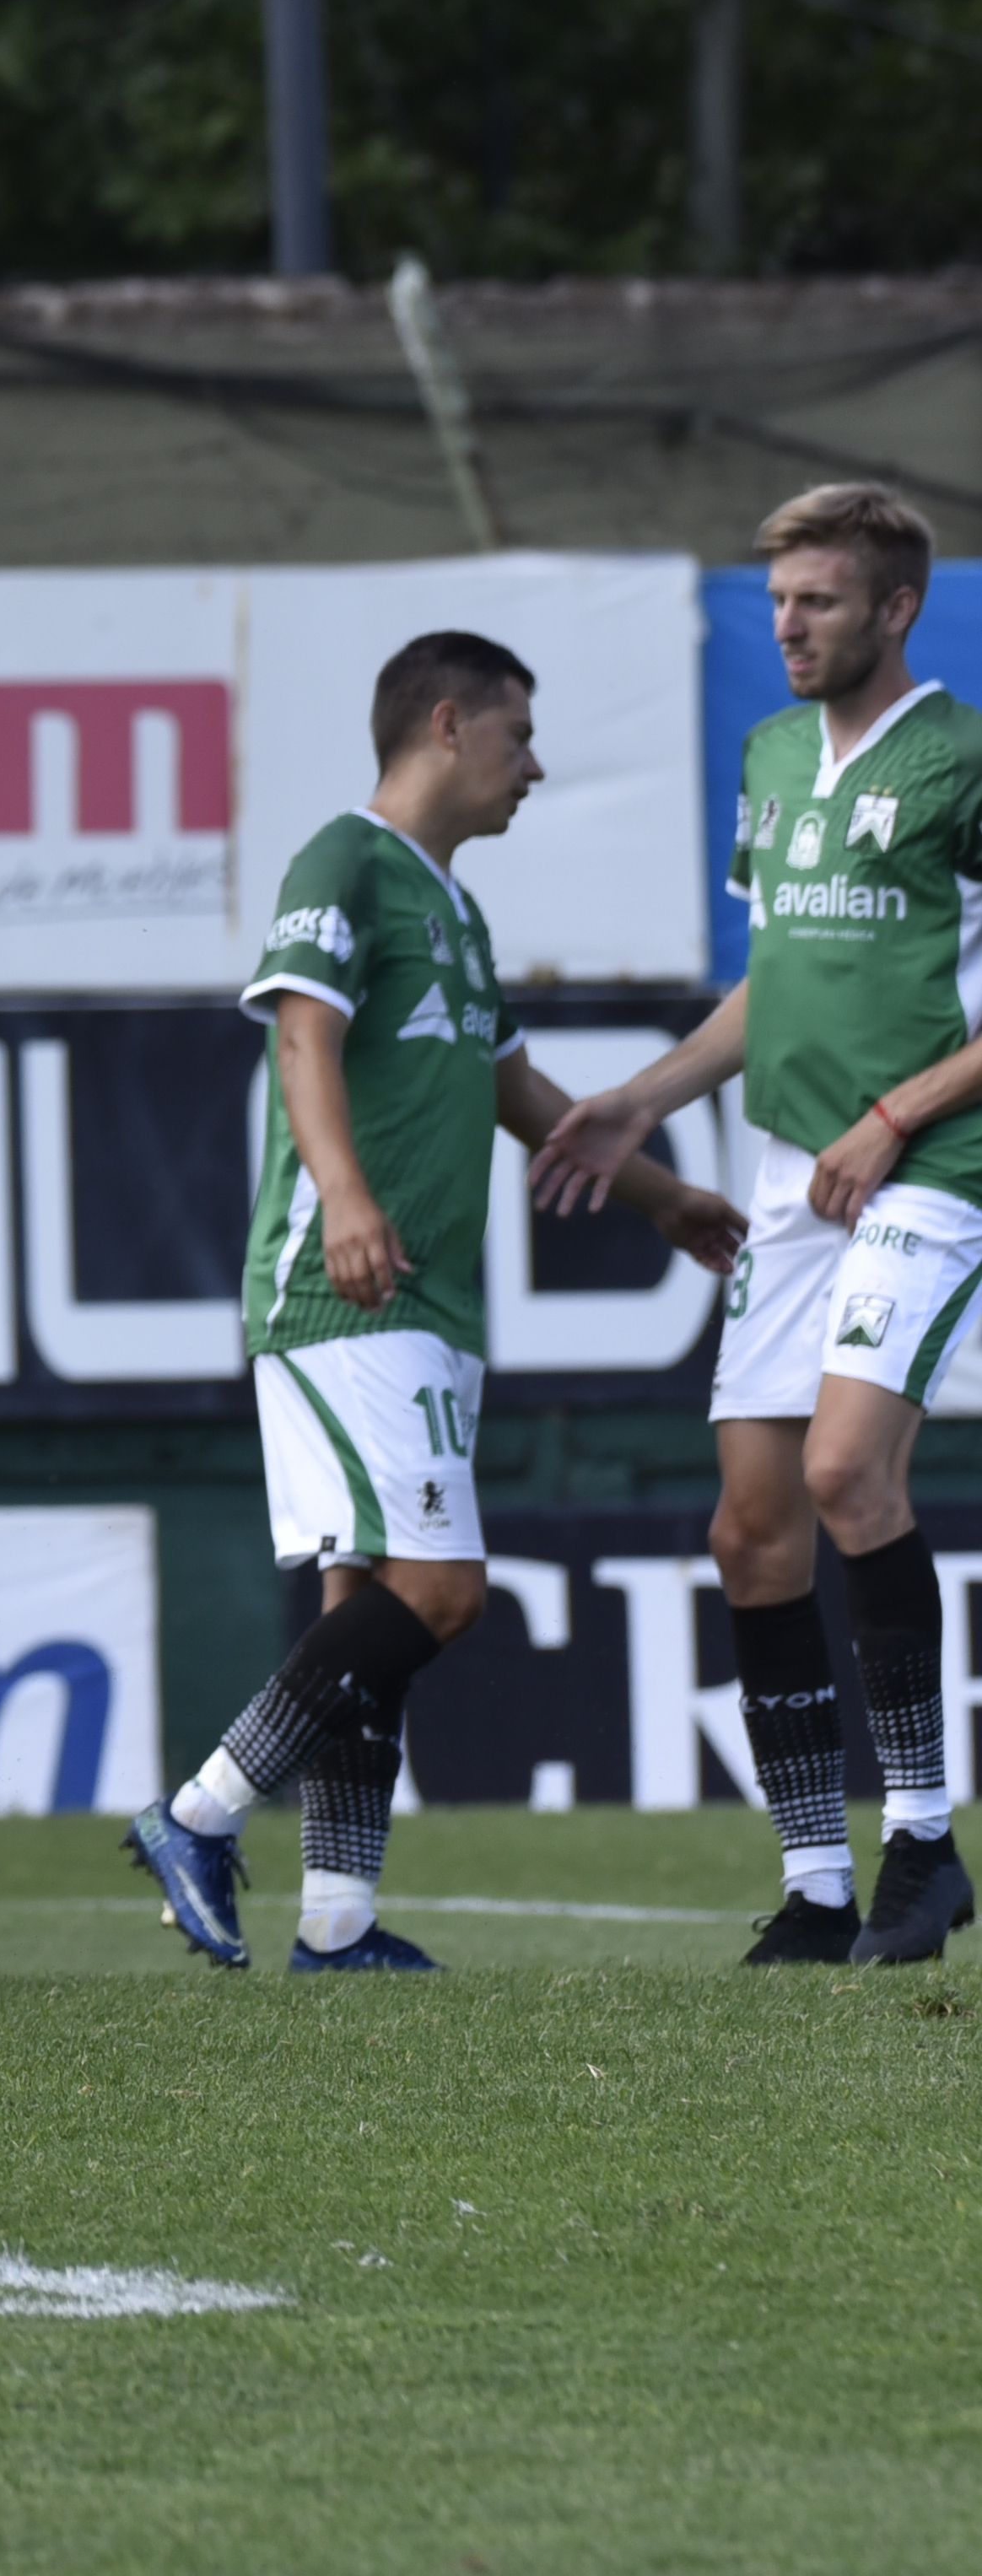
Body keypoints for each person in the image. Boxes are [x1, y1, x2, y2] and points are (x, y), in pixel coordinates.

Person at [125, 636, 742, 1971]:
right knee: (445, 1591)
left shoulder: (452, 909)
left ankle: (337, 1925)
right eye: (520, 735)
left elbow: (515, 1090)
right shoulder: (341, 860)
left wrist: (662, 1200)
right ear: (448, 726)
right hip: (346, 1295)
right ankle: (198, 1813)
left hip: (432, 1306)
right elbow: (303, 1030)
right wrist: (345, 1196)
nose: (535, 764)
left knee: (373, 1607)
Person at [537, 482, 982, 1964]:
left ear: (895, 607)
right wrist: (637, 1097)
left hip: (928, 1163)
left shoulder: (966, 762)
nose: (788, 624)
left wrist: (894, 1114)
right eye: (779, 599)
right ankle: (813, 1880)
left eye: (819, 600)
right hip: (798, 1174)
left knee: (853, 1471)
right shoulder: (773, 754)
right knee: (750, 1526)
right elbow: (772, 979)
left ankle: (924, 1843)